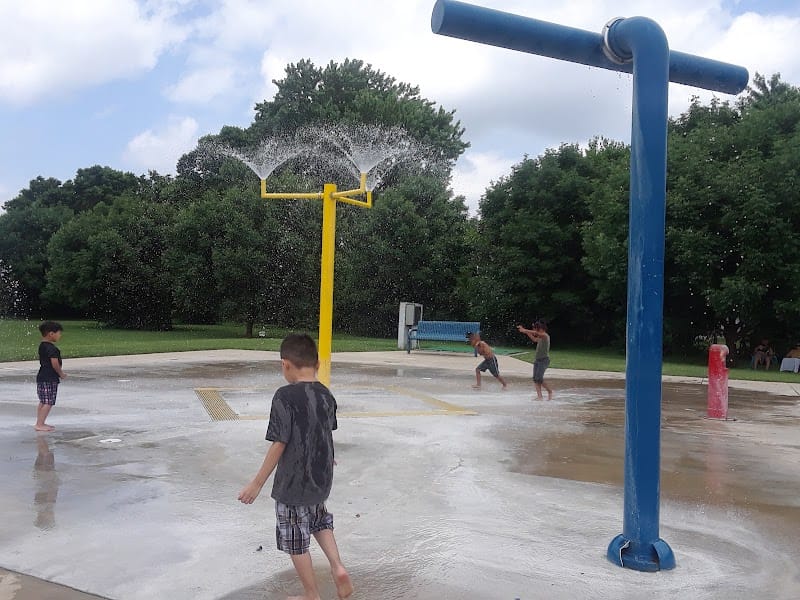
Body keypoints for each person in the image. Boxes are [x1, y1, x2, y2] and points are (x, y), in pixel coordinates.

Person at [238, 333, 352, 600]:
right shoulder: (326, 394)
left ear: (285, 364)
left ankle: (311, 594)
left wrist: (256, 483)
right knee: (320, 521)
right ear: (318, 364)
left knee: (296, 540)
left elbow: (280, 442)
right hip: (321, 478)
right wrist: (326, 457)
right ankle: (338, 566)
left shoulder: (284, 396)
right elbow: (325, 432)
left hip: (293, 484)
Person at [35, 321, 66, 432]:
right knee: (48, 402)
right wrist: (61, 374)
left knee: (43, 401)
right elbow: (55, 363)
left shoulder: (42, 346)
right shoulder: (52, 349)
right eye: (59, 333)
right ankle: (39, 424)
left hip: (42, 377)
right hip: (49, 378)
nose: (60, 335)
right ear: (51, 334)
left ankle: (40, 422)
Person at [517, 320, 553, 400]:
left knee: (539, 378)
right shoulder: (540, 338)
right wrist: (525, 332)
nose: (535, 331)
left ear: (540, 329)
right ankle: (540, 396)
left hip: (544, 360)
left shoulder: (545, 336)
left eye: (536, 329)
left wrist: (525, 330)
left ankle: (550, 392)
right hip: (537, 360)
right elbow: (534, 339)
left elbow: (537, 334)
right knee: (535, 379)